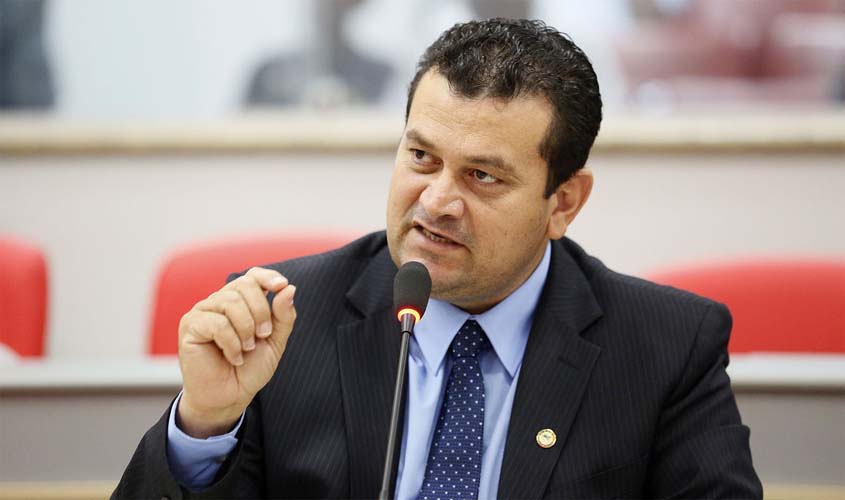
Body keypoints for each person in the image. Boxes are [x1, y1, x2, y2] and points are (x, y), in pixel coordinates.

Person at [113, 18, 762, 499]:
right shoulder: (281, 322)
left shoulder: (665, 347)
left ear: (562, 202)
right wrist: (205, 423)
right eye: (421, 157)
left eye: (482, 176)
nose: (436, 201)